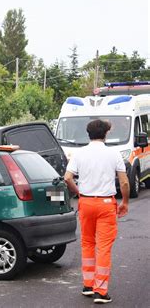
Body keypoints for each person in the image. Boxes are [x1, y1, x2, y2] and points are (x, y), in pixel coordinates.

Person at [64, 119, 129, 304]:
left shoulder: (79, 154)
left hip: (85, 203)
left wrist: (79, 193)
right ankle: (100, 291)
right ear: (106, 134)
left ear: (88, 133)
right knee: (104, 247)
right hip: (106, 204)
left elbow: (67, 177)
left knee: (87, 243)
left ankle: (88, 285)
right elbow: (124, 182)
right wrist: (124, 202)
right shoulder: (113, 154)